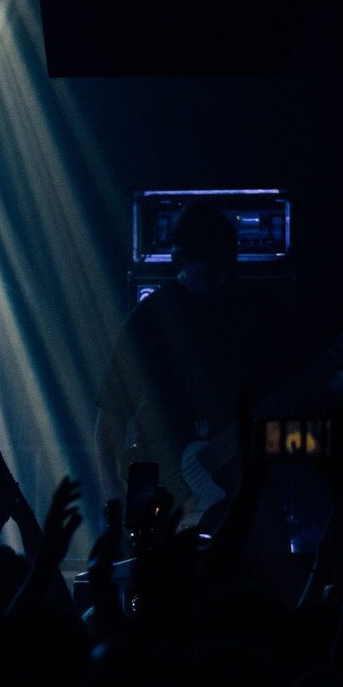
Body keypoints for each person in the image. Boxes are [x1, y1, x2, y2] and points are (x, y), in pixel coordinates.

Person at [94, 202, 281, 529]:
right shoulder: (148, 322)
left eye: (228, 267)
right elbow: (110, 413)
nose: (223, 280)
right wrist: (111, 489)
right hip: (164, 488)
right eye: (209, 272)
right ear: (179, 262)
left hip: (238, 488)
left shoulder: (252, 314)